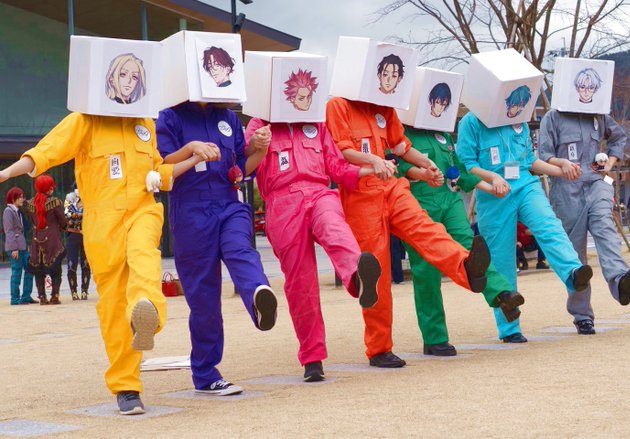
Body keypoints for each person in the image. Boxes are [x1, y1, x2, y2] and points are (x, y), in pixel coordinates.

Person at [0, 109, 202, 415]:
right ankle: (127, 387)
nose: (129, 85)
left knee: (145, 258)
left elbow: (157, 171)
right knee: (113, 307)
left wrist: (190, 157)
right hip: (102, 225)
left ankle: (146, 316)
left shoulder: (145, 124)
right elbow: (45, 152)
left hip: (143, 210)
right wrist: (5, 174)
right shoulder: (85, 121)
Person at [326, 97, 492, 367]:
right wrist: (373, 160)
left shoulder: (385, 107)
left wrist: (427, 163)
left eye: (394, 76)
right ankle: (379, 349)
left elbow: (401, 146)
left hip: (391, 185)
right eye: (385, 75)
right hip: (360, 194)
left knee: (425, 228)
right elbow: (341, 149)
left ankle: (467, 267)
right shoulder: (338, 105)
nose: (389, 80)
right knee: (376, 269)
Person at [244, 116, 381, 382]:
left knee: (334, 228)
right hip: (282, 203)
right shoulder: (259, 123)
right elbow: (243, 163)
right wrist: (256, 144)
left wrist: (367, 169)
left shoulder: (317, 123)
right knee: (300, 282)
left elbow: (336, 165)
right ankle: (312, 358)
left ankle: (358, 277)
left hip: (319, 192)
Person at [156, 102, 278, 396]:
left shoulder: (228, 117)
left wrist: (259, 149)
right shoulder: (169, 117)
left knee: (241, 250)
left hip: (229, 202)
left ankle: (259, 298)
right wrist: (192, 149)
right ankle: (206, 374)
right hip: (191, 211)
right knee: (204, 297)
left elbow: (240, 168)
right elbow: (163, 165)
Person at [456, 111, 594, 343]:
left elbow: (530, 160)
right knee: (501, 258)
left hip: (526, 184)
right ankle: (509, 327)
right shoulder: (471, 122)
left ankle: (573, 272)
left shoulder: (517, 115)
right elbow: (466, 164)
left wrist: (562, 170)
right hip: (494, 194)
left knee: (549, 226)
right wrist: (492, 178)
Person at [398, 126, 524, 355]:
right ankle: (434, 337)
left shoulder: (442, 133)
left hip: (449, 199)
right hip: (418, 201)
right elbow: (399, 166)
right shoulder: (399, 133)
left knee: (472, 248)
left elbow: (459, 171)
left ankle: (502, 294)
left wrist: (490, 188)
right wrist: (422, 174)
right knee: (426, 270)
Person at [539, 108, 630, 334]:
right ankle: (582, 315)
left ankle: (620, 281)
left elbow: (618, 137)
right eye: (582, 89)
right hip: (565, 189)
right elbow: (543, 154)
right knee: (576, 256)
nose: (585, 92)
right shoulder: (553, 117)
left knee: (605, 228)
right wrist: (561, 163)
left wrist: (609, 163)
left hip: (597, 183)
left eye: (589, 89)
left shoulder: (598, 113)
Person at [22, 175, 67, 305]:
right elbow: (63, 222)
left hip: (37, 239)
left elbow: (32, 221)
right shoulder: (55, 202)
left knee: (38, 270)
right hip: (52, 239)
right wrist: (62, 227)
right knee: (56, 269)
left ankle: (42, 297)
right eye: (51, 186)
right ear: (48, 188)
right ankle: (55, 296)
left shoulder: (29, 204)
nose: (53, 188)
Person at [3, 187, 36, 305]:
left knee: (30, 269)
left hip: (23, 247)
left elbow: (25, 228)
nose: (23, 199)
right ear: (13, 198)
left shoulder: (19, 211)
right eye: (20, 197)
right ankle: (15, 298)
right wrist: (14, 249)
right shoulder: (8, 211)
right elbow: (9, 231)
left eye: (23, 197)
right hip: (15, 248)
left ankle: (26, 296)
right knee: (17, 272)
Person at [65, 185, 90, 300]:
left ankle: (85, 290)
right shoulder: (69, 199)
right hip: (73, 235)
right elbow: (67, 216)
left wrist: (77, 216)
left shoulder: (89, 199)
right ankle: (73, 291)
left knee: (86, 264)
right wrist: (79, 215)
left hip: (86, 235)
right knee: (71, 264)